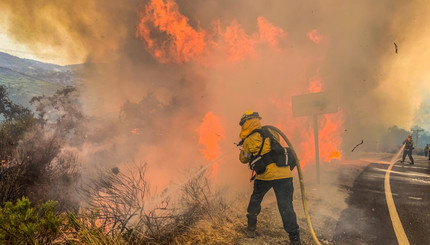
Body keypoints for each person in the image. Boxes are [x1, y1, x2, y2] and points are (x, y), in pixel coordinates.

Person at [237, 110, 301, 244]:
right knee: (286, 206)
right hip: (285, 175)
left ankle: (251, 229)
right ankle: (294, 238)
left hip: (265, 176)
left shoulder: (250, 139)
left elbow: (243, 159)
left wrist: (244, 146)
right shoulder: (272, 132)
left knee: (255, 200)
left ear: (246, 123)